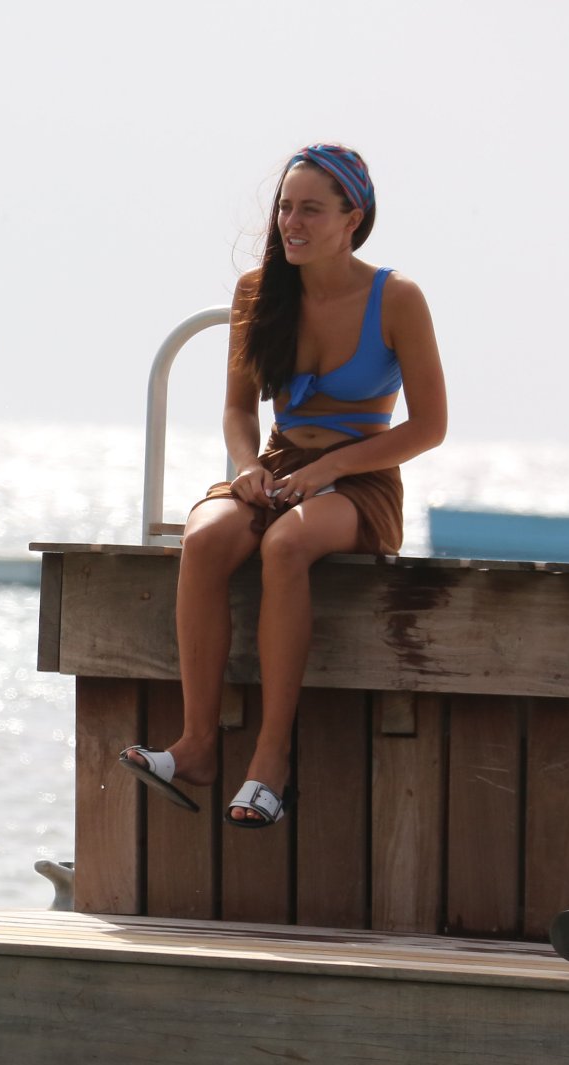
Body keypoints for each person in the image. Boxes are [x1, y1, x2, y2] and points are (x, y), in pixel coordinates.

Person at [120, 144, 446, 827]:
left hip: (360, 481)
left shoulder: (398, 298)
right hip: (276, 467)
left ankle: (270, 761)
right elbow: (238, 410)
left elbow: (429, 427)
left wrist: (329, 471)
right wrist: (247, 467)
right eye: (285, 207)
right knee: (204, 538)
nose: (291, 223)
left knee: (286, 547)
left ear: (353, 218)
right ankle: (197, 746)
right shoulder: (257, 290)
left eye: (311, 210)